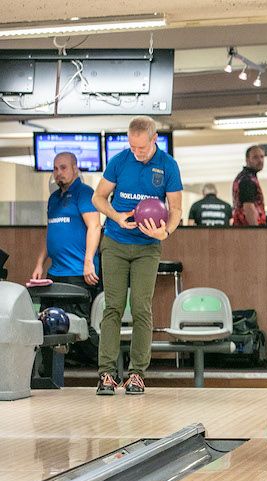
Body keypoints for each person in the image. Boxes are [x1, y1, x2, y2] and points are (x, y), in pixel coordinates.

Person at [91, 116, 183, 395]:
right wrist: (116, 216)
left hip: (147, 247)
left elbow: (176, 208)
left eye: (141, 148)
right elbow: (98, 198)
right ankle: (106, 374)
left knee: (141, 307)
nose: (137, 152)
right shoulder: (119, 161)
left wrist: (165, 232)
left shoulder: (168, 165)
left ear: (154, 139)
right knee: (113, 307)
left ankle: (136, 374)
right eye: (133, 147)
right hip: (115, 243)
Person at [31, 151, 102, 363]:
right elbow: (51, 232)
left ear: (75, 168)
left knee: (80, 327)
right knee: (46, 326)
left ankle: (107, 367)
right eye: (55, 168)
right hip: (55, 274)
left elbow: (95, 226)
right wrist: (39, 263)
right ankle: (47, 375)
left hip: (79, 273)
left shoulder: (84, 193)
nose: (58, 172)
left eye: (63, 168)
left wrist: (89, 261)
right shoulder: (54, 198)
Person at [232, 145, 266, 226]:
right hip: (247, 230)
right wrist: (255, 232)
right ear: (247, 160)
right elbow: (248, 207)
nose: (260, 160)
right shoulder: (247, 180)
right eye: (255, 157)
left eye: (262, 157)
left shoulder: (244, 177)